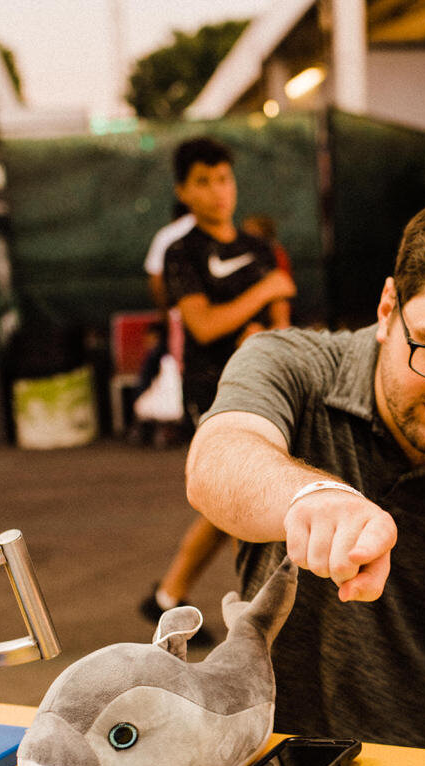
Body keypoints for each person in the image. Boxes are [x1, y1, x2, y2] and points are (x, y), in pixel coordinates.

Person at [186, 183, 425, 755]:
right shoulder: (295, 368)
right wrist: (314, 496)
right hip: (272, 759)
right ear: (387, 308)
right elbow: (218, 459)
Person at [139, 137, 295, 628]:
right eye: (202, 181)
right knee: (241, 496)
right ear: (183, 191)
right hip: (213, 394)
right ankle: (257, 619)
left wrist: (261, 329)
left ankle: (169, 597)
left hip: (270, 389)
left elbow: (281, 325)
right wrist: (262, 294)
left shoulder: (259, 249)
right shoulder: (181, 253)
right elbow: (203, 325)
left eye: (223, 178)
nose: (216, 191)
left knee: (235, 500)